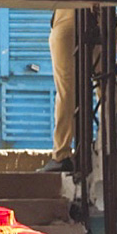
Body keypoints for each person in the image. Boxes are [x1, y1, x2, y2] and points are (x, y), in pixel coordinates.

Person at [41, 9, 76, 173]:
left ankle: (62, 154)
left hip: (68, 17)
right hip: (104, 17)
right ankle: (108, 144)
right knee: (103, 91)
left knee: (66, 90)